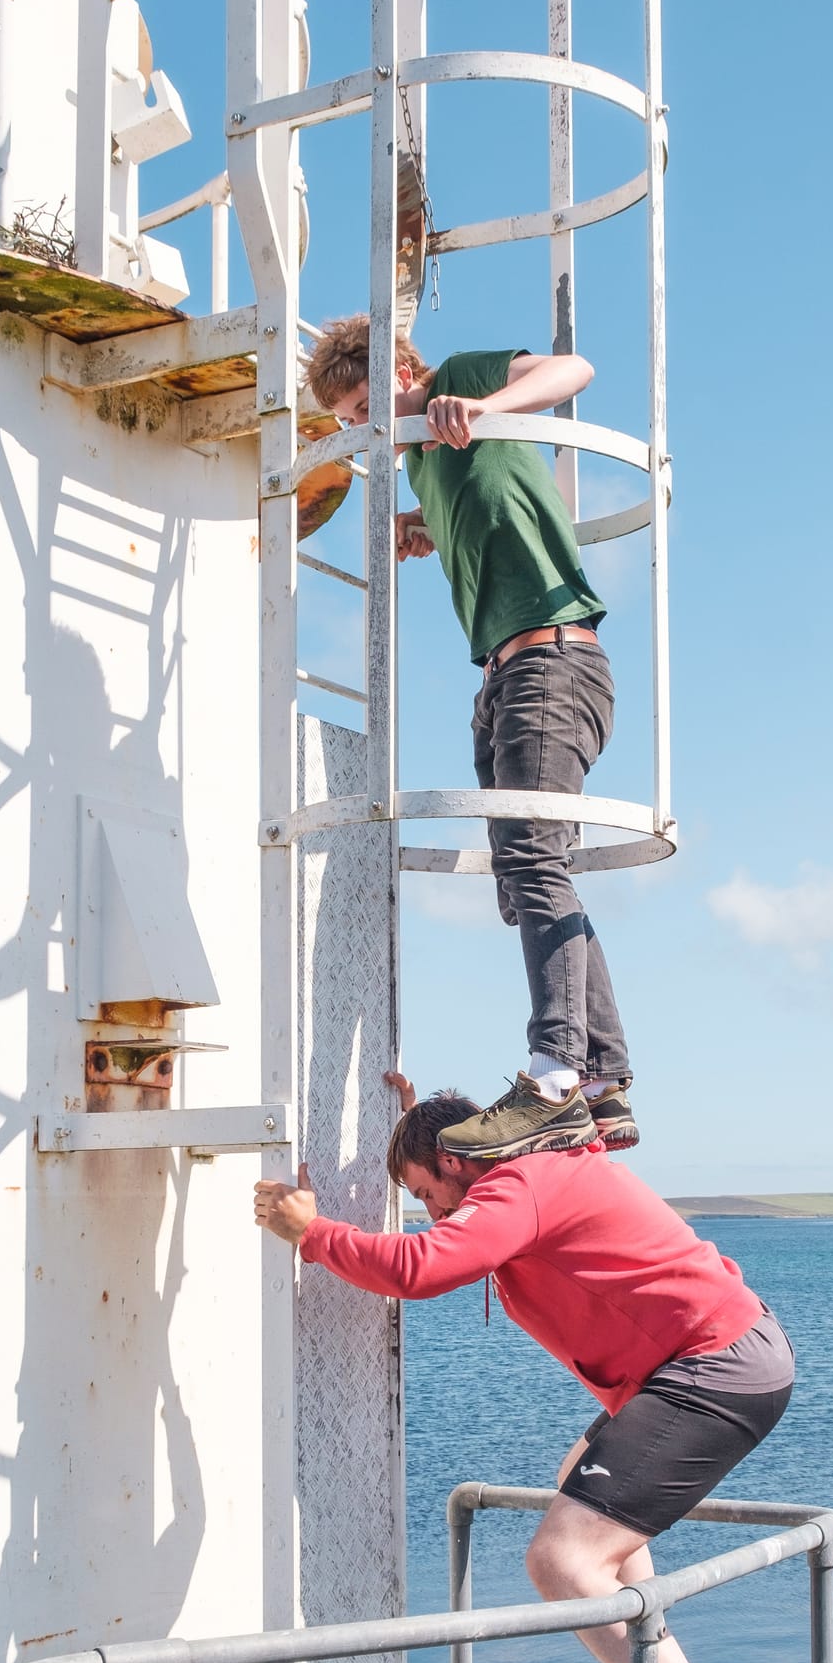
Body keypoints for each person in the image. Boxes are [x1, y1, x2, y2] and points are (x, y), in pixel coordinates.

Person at [253, 1080, 799, 1663]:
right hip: (708, 1360)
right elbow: (453, 1201)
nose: (431, 1212)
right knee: (583, 1485)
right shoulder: (522, 1170)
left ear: (455, 1157)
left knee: (561, 1560)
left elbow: (420, 1268)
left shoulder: (518, 1181)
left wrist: (313, 1234)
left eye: (423, 1192)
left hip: (712, 1364)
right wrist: (410, 1109)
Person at [305, 314, 634, 1159]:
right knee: (526, 879)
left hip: (551, 664)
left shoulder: (460, 381)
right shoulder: (426, 460)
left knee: (533, 861)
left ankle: (556, 1074)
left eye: (364, 402)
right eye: (347, 417)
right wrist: (426, 523)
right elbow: (473, 502)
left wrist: (485, 405)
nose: (360, 425)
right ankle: (602, 1079)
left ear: (405, 367)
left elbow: (576, 367)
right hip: (502, 678)